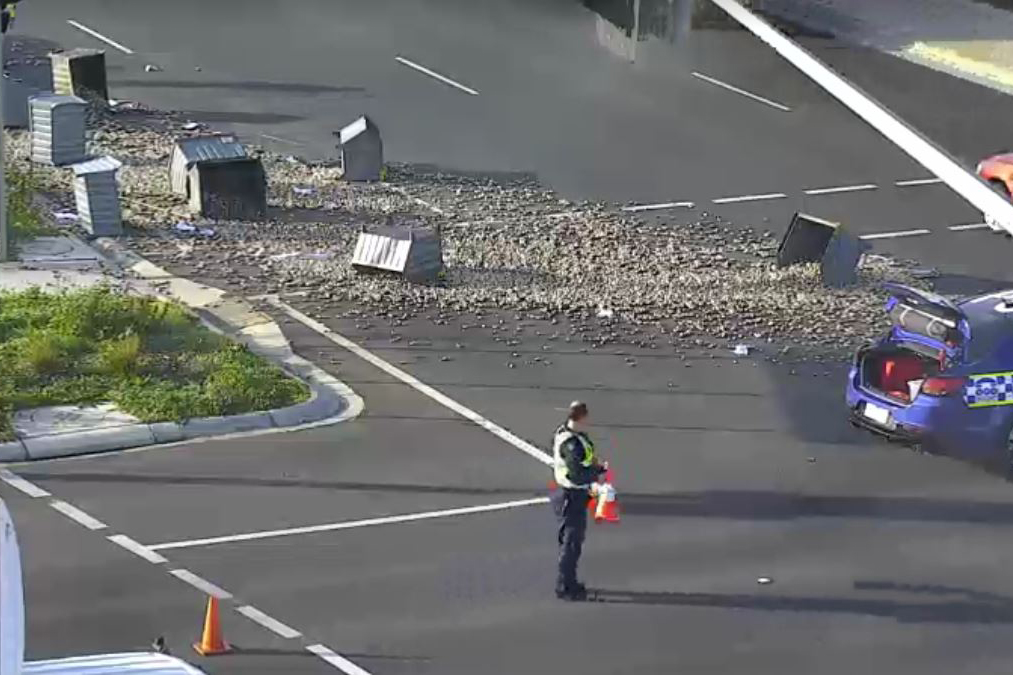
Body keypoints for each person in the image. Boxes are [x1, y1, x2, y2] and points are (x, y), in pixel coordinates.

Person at [551, 400, 607, 601]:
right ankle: (565, 585)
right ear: (581, 417)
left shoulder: (571, 435)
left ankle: (568, 582)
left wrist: (596, 469)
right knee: (571, 542)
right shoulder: (571, 443)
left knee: (571, 540)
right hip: (571, 495)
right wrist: (596, 474)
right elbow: (576, 474)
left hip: (573, 494)